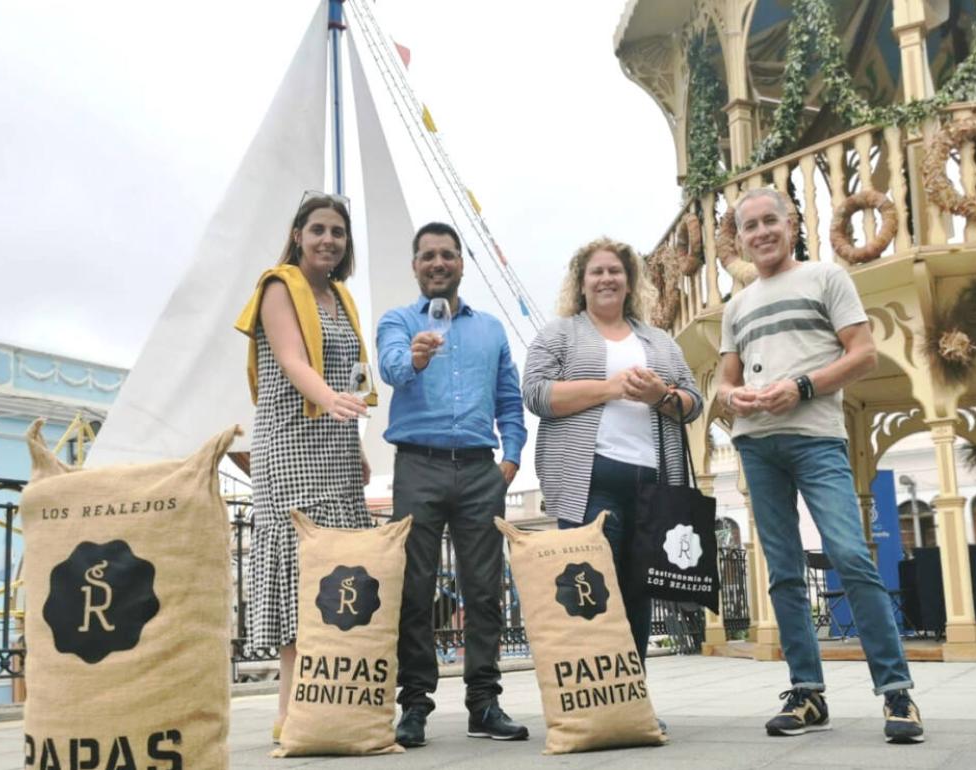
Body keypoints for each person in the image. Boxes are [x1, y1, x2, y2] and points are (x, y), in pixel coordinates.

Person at [718, 187, 924, 744]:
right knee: (783, 573)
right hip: (757, 445)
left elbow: (863, 354)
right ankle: (807, 692)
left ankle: (896, 692)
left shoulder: (827, 279)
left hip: (814, 439)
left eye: (770, 221)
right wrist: (733, 398)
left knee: (852, 557)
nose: (761, 233)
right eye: (750, 226)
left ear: (792, 225)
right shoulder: (735, 307)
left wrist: (802, 386)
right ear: (739, 239)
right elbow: (723, 383)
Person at [522, 237, 703, 682]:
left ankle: (632, 696)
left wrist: (661, 395)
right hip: (589, 481)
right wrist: (611, 387)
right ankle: (593, 698)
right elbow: (536, 394)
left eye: (615, 271)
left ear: (629, 282)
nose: (606, 278)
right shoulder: (559, 334)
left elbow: (693, 402)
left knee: (638, 593)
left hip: (652, 483)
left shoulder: (659, 342)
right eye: (596, 272)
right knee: (589, 588)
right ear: (581, 284)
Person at [377, 221, 528, 747]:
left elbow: (510, 399)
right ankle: (414, 705)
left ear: (461, 264)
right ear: (415, 266)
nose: (437, 263)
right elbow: (391, 369)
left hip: (480, 468)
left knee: (486, 589)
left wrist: (510, 459)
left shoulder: (490, 330)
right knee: (414, 590)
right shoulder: (397, 321)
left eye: (446, 255)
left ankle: (484, 703)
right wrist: (415, 357)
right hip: (417, 466)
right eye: (427, 256)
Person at [232, 192, 377, 739]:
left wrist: (356, 438)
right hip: (290, 443)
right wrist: (332, 400)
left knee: (338, 577)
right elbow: (292, 359)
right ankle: (288, 713)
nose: (328, 240)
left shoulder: (342, 298)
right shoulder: (278, 285)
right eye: (318, 229)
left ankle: (334, 703)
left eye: (338, 232)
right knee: (300, 568)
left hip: (337, 447)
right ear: (298, 234)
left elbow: (353, 376)